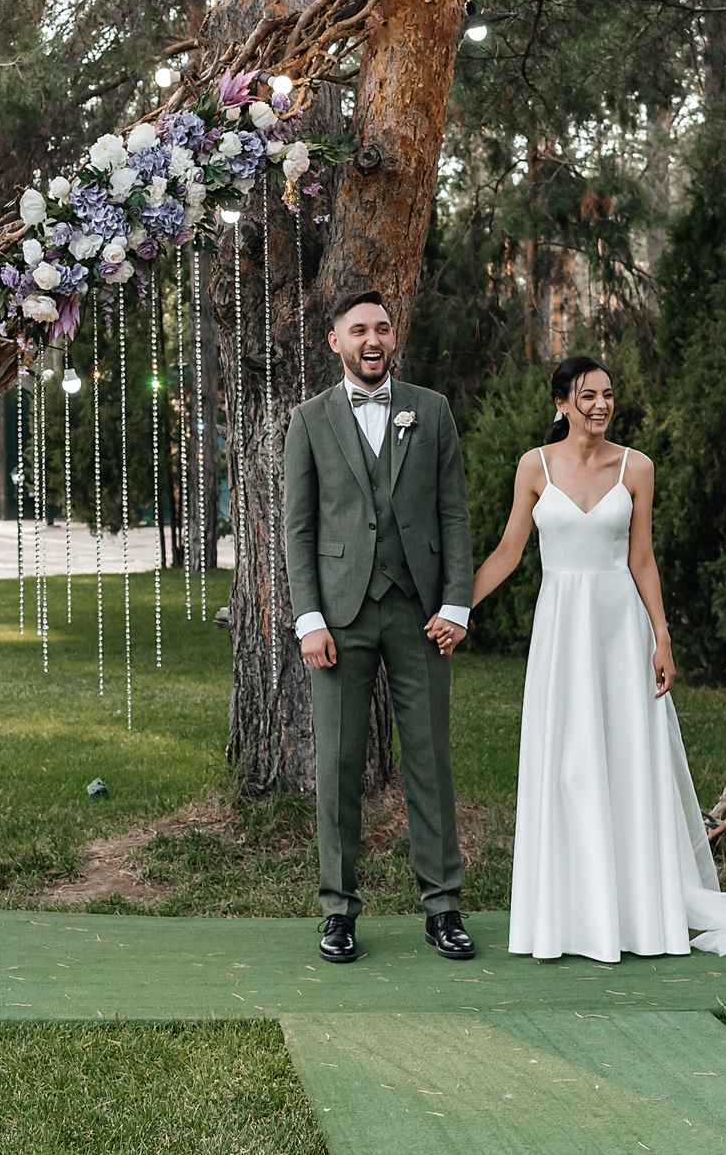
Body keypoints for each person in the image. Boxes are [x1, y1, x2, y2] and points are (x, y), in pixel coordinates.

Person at [470, 356, 726, 961]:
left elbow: (643, 558)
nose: (600, 405)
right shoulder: (533, 467)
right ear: (561, 403)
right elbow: (510, 550)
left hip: (622, 629)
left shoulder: (636, 467)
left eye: (608, 395)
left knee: (625, 762)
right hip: (562, 629)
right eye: (587, 395)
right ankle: (566, 919)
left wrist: (662, 636)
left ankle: (638, 917)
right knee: (565, 763)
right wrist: (457, 608)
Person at [284, 291, 477, 966]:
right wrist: (308, 617)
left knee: (429, 757)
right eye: (358, 329)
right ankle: (338, 911)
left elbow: (454, 511)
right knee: (337, 764)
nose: (373, 338)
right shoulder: (308, 421)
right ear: (334, 341)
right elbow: (299, 528)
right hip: (339, 614)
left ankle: (443, 907)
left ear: (393, 338)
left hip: (421, 611)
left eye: (383, 327)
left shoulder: (432, 409)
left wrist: (457, 604)